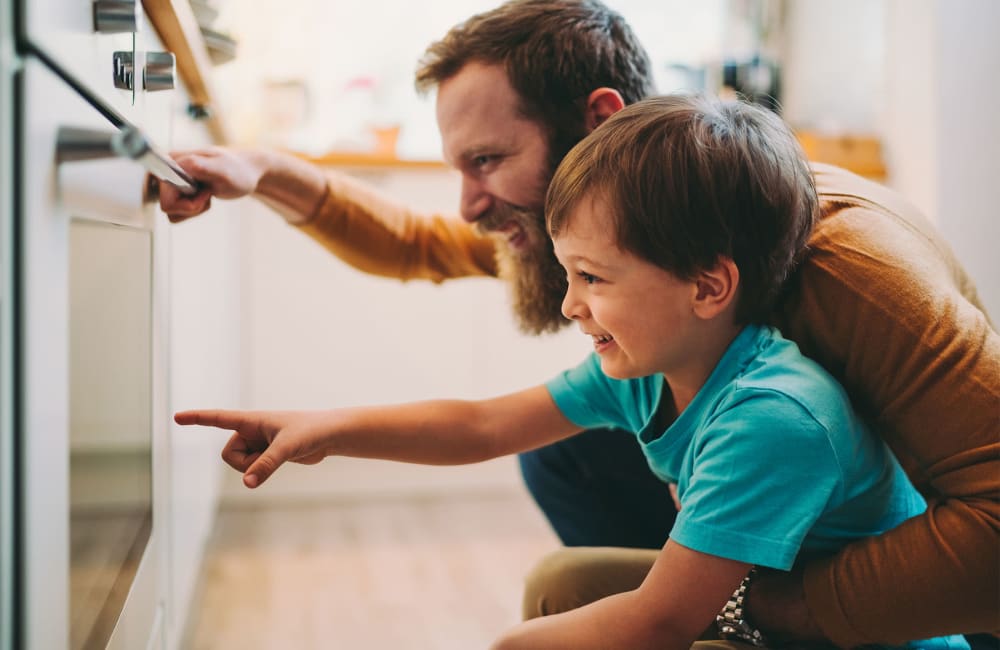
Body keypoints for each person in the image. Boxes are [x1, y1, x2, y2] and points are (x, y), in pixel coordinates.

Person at [160, 1, 1000, 646]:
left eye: (488, 160)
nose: (468, 204)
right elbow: (426, 256)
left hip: (930, 589)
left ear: (597, 120)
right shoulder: (637, 228)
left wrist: (760, 607)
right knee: (567, 457)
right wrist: (263, 171)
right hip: (789, 517)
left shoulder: (840, 265)